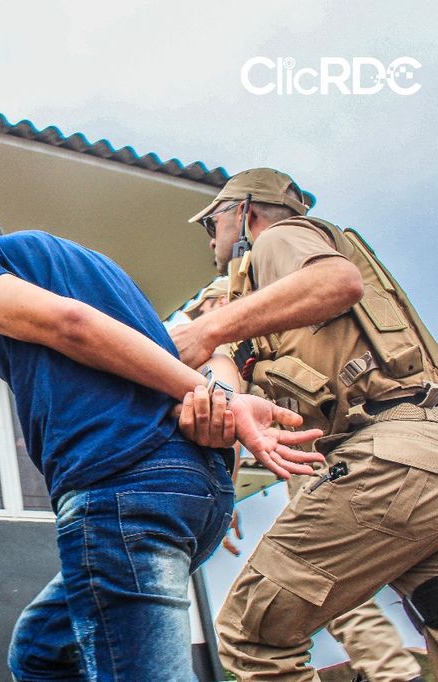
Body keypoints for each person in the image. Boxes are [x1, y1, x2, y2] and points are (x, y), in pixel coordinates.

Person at [0, 202, 323, 681]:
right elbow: (182, 358)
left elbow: (71, 324)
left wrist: (223, 401)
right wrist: (220, 455)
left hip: (121, 489)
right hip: (192, 494)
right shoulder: (99, 270)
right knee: (38, 650)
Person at [171, 167, 438, 681]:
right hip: (416, 462)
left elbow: (336, 281)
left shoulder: (276, 240)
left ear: (245, 213)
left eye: (212, 224)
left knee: (253, 637)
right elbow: (228, 386)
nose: (211, 239)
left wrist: (204, 329)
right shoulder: (252, 307)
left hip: (388, 460)